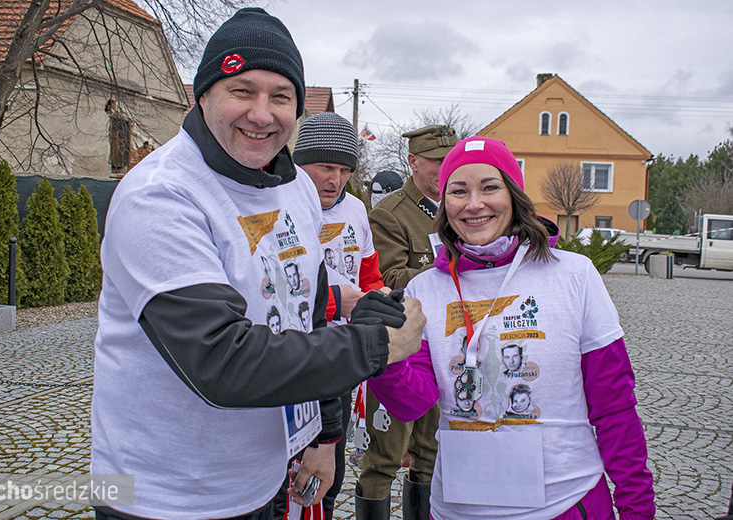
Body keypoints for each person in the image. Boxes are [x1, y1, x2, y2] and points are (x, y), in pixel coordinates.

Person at [90, 8, 425, 520]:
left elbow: (308, 316)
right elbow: (221, 360)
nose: (262, 114)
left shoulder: (294, 188)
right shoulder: (160, 196)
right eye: (241, 91)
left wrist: (325, 434)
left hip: (265, 478)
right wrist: (376, 344)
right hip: (158, 494)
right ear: (202, 95)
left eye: (281, 96)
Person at [368, 136, 656, 519]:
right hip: (458, 509)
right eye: (458, 191)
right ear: (444, 204)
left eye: (490, 187)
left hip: (566, 503)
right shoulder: (425, 289)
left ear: (515, 195)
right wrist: (382, 356)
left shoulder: (573, 276)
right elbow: (413, 402)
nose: (474, 204)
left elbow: (614, 405)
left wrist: (637, 506)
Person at [279, 111, 387, 519]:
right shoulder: (276, 204)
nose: (334, 179)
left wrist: (381, 303)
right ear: (299, 161)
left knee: (332, 471)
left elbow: (369, 275)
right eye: (325, 167)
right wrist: (333, 302)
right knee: (292, 477)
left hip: (341, 358)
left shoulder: (357, 211)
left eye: (344, 169)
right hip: (292, 357)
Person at [360, 124, 458, 519]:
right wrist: (445, 270)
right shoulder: (390, 214)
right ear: (413, 162)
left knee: (431, 450)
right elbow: (385, 279)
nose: (444, 169)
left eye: (449, 161)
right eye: (436, 162)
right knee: (385, 455)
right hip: (401, 347)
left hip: (447, 343)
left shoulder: (458, 208)